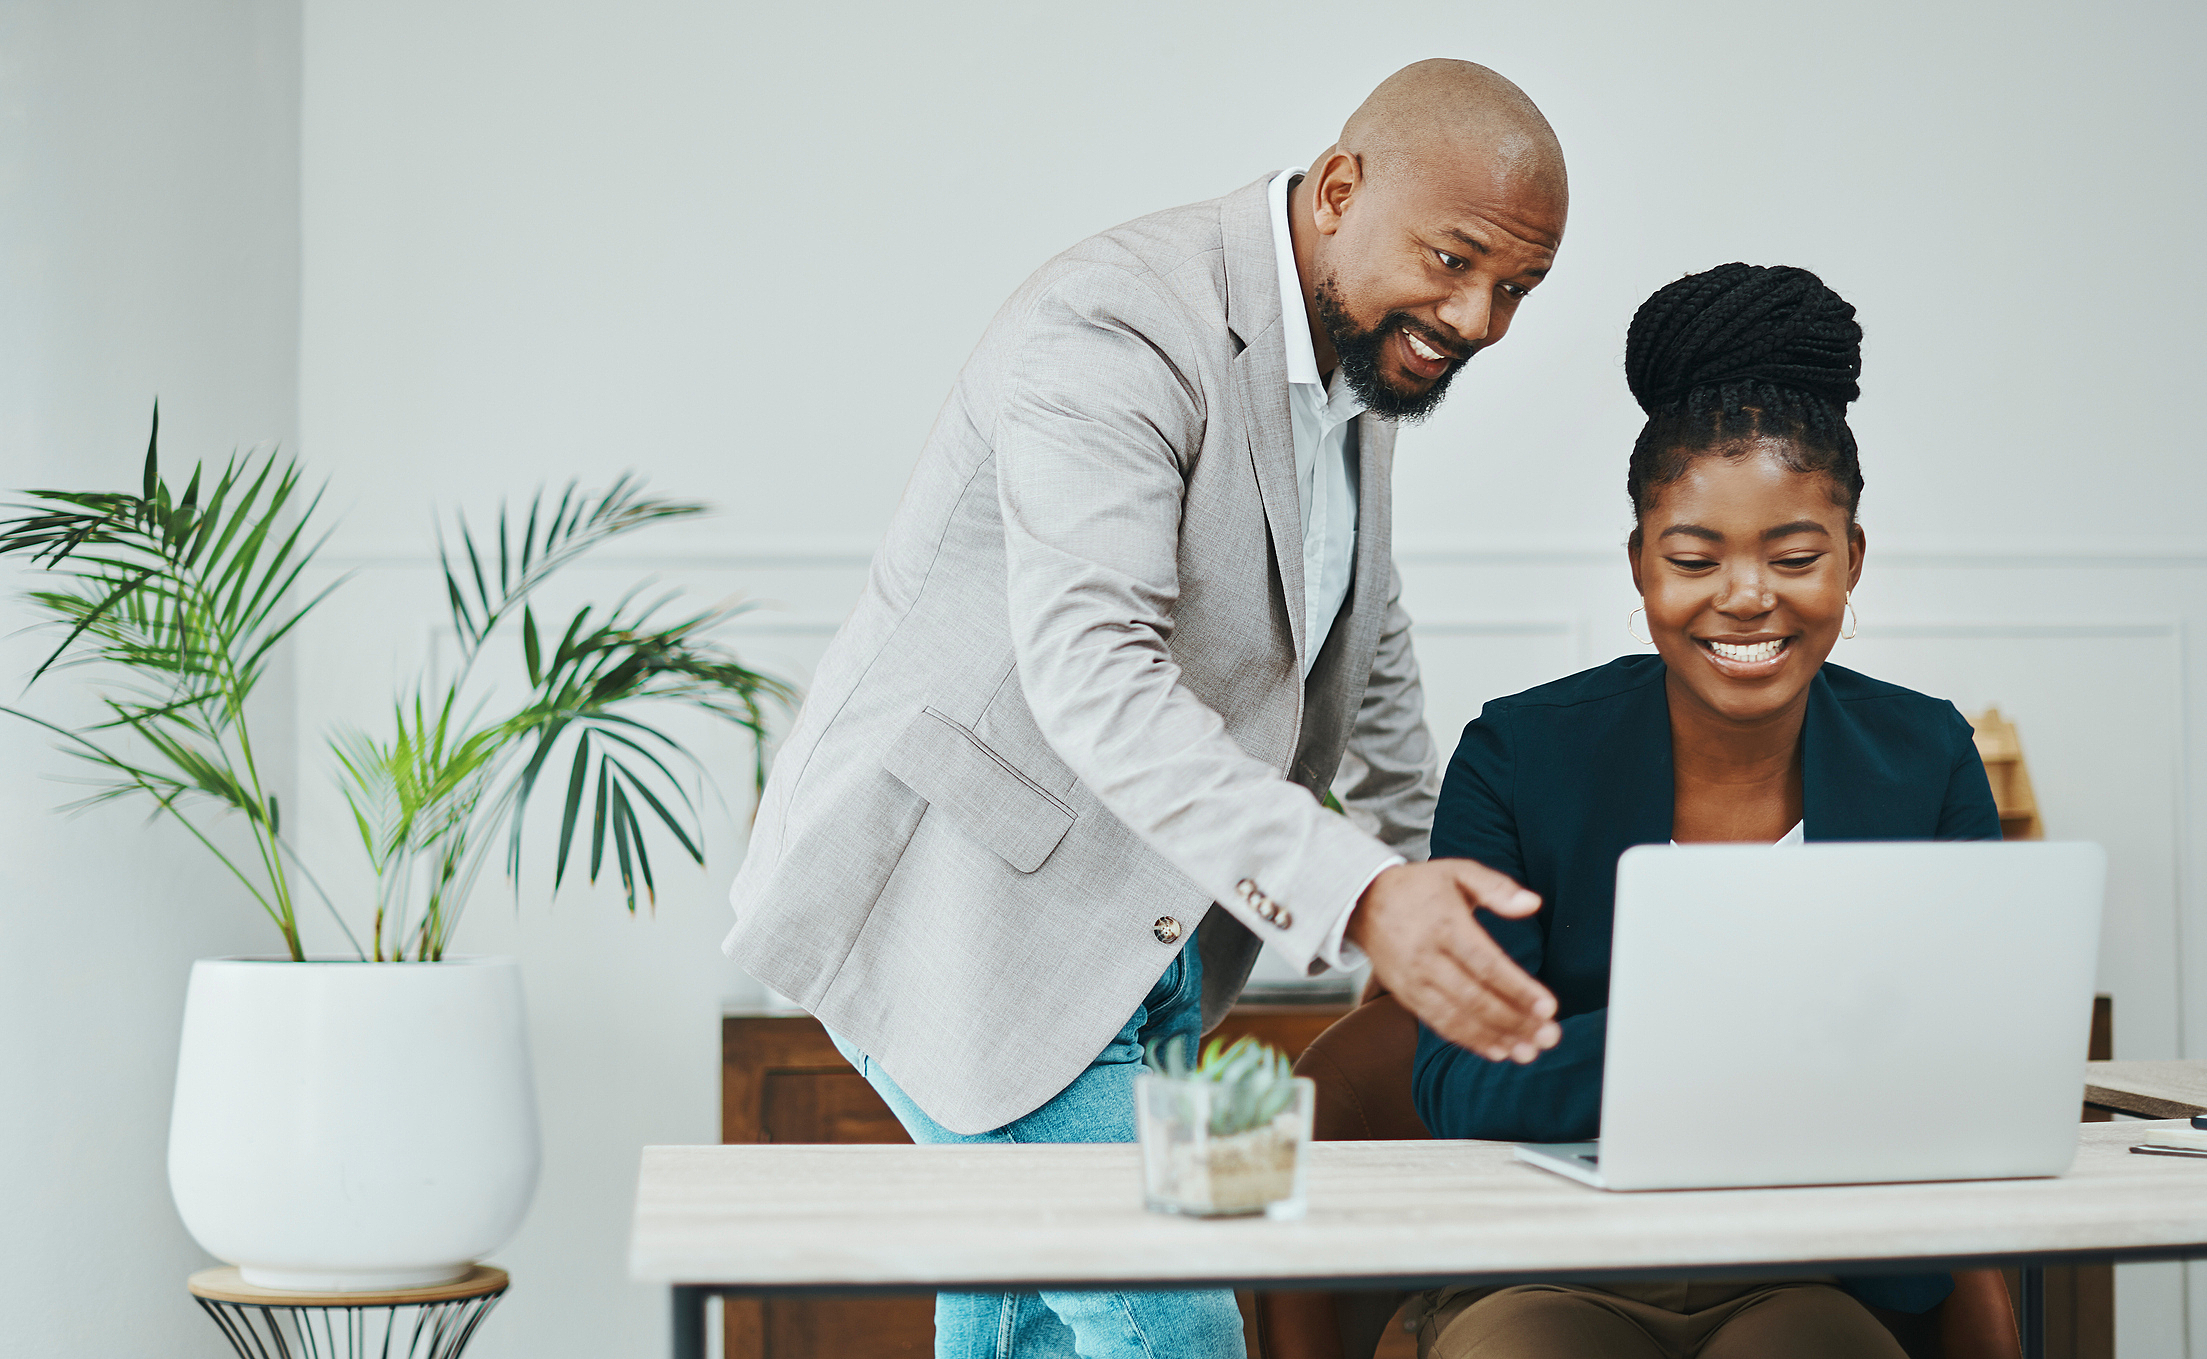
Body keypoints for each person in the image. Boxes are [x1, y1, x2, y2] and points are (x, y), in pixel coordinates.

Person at [724, 59, 1568, 1359]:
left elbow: (1364, 630)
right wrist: (1358, 896)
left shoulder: (1360, 350)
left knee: (1022, 1325)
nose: (1475, 316)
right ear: (1339, 188)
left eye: (1514, 289)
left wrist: (1426, 869)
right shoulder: (1118, 323)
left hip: (1157, 940)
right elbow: (1091, 672)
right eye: (1455, 261)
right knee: (1167, 1314)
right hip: (969, 918)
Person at [1408, 263, 2006, 1359]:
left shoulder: (1923, 757)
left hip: (1808, 1269)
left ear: (1849, 562)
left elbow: (1968, 1073)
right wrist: (1724, 1042)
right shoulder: (1517, 754)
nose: (1744, 597)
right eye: (1693, 558)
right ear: (1639, 564)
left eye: (1793, 556)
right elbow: (1453, 1078)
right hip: (1554, 1264)